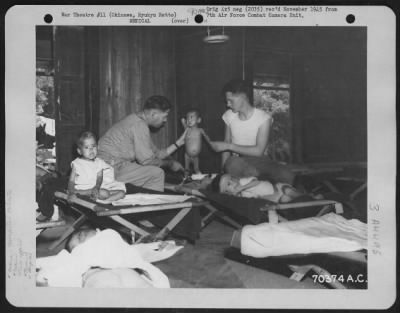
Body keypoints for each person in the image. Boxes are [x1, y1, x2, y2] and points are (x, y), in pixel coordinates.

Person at [210, 79, 295, 185]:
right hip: (239, 161)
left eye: (230, 100)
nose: (228, 104)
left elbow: (258, 151)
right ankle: (259, 181)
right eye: (227, 101)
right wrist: (222, 172)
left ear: (243, 96)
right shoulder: (229, 115)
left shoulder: (263, 118)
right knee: (232, 163)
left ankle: (254, 180)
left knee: (287, 174)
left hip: (261, 161)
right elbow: (226, 145)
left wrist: (229, 146)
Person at [98, 95, 187, 191]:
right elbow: (147, 161)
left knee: (150, 173)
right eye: (164, 116)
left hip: (112, 166)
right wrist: (170, 164)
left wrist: (179, 143)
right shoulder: (139, 125)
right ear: (153, 114)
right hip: (109, 169)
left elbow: (157, 154)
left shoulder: (136, 120)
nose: (165, 121)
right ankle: (151, 203)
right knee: (157, 174)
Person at [67, 131, 126, 203]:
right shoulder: (77, 163)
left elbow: (99, 178)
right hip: (82, 190)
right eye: (86, 147)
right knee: (105, 193)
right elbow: (71, 181)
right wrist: (71, 192)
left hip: (97, 190)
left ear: (97, 147)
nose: (91, 149)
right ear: (80, 151)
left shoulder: (99, 162)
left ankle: (103, 202)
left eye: (93, 146)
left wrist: (96, 188)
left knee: (122, 193)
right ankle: (86, 195)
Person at [211, 173, 307, 203]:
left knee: (288, 191)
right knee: (285, 198)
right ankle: (305, 203)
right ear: (228, 193)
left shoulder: (243, 182)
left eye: (231, 179)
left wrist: (242, 187)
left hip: (278, 187)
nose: (232, 182)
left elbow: (256, 182)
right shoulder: (243, 198)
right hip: (276, 198)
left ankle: (308, 198)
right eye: (228, 185)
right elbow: (258, 199)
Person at [181, 108, 212, 174]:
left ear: (198, 120)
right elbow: (183, 121)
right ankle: (185, 180)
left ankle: (199, 179)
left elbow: (207, 138)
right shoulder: (187, 130)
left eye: (191, 117)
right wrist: (183, 121)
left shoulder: (200, 130)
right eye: (188, 118)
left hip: (195, 156)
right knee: (186, 169)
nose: (189, 119)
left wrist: (211, 143)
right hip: (187, 155)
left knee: (196, 169)